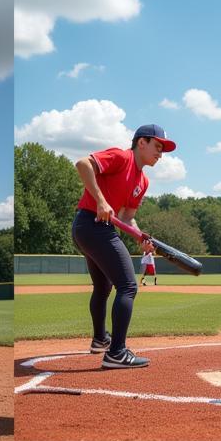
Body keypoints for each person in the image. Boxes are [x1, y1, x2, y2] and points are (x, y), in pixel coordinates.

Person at [72, 123, 176, 369]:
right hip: (91, 224)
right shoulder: (121, 157)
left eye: (163, 150)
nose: (160, 154)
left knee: (103, 286)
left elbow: (127, 217)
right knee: (128, 286)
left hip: (92, 229)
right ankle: (116, 352)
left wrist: (140, 237)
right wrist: (100, 200)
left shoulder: (143, 181)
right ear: (142, 143)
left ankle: (100, 340)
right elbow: (82, 164)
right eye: (157, 146)